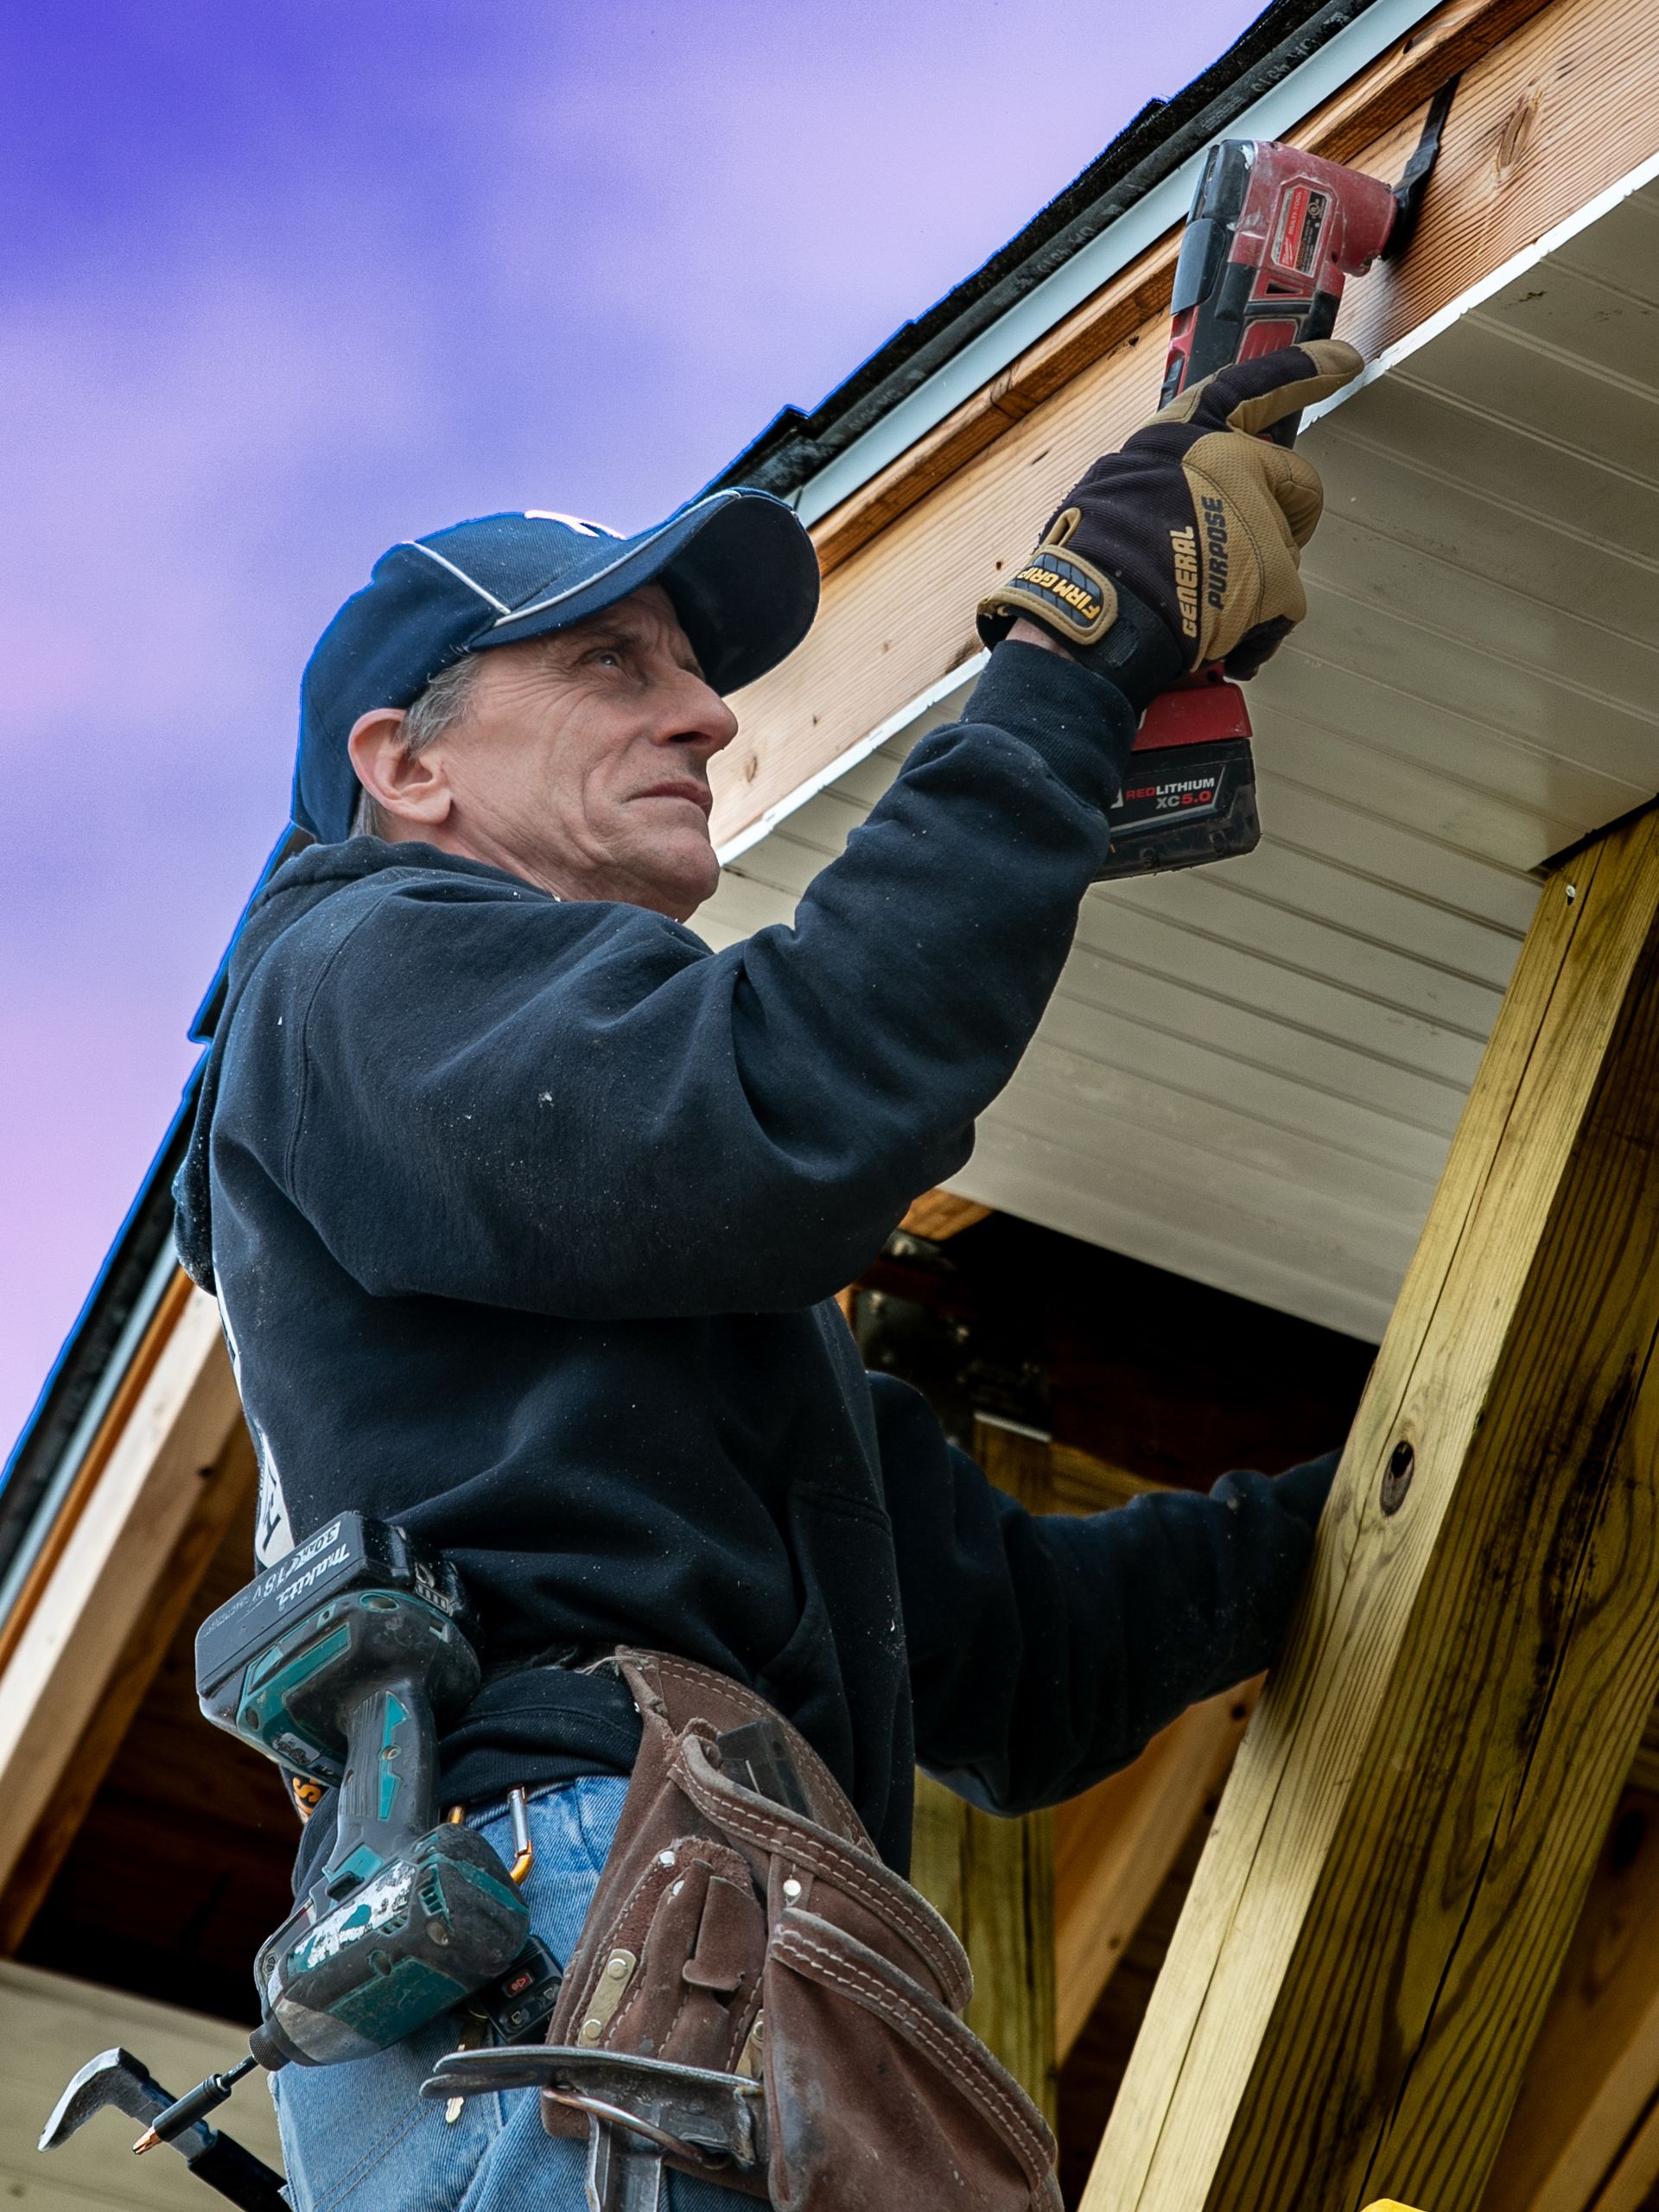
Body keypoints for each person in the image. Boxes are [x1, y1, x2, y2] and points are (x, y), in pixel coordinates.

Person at [173, 340, 1363, 2210]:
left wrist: (1415, 1478)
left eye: (697, 671)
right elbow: (786, 1097)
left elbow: (1026, 1664)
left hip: (671, 1938)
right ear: (404, 767)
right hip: (613, 1932)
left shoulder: (647, 1300)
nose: (709, 716)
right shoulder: (352, 969)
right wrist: (1069, 651)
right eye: (611, 665)